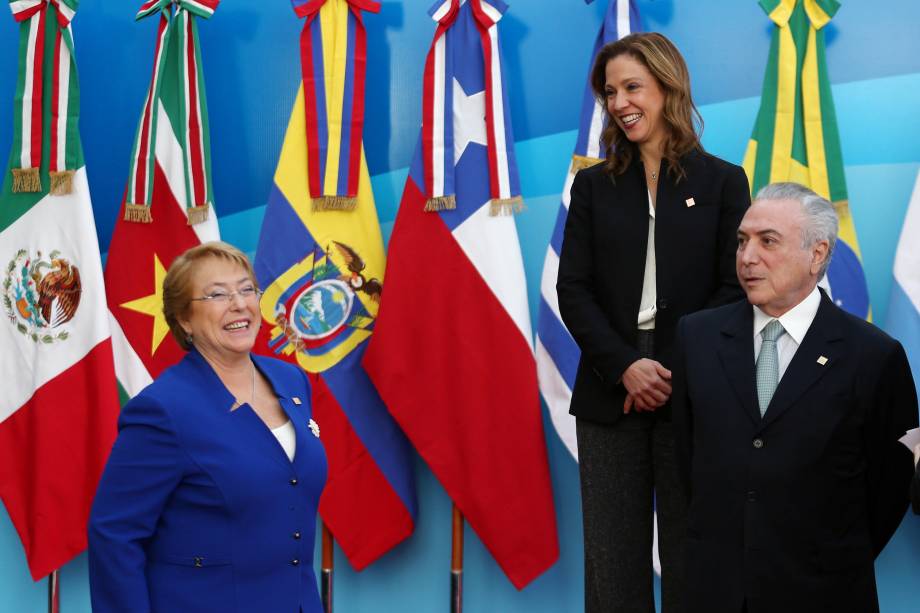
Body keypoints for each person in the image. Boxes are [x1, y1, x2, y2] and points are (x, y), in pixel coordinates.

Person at [556, 32, 750, 612]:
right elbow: (574, 290)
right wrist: (626, 367)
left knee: (696, 559)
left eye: (631, 87)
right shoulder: (593, 185)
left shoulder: (722, 181)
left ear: (668, 87)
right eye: (610, 92)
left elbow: (732, 285)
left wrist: (668, 367)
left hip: (691, 390)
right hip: (609, 392)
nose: (619, 102)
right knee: (613, 566)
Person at [672, 182, 919, 613]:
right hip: (715, 591)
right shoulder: (697, 336)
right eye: (743, 241)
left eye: (768, 241)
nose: (747, 257)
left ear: (817, 254)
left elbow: (891, 485)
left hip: (824, 592)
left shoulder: (873, 355)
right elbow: (687, 458)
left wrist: (830, 558)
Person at [88, 242, 327, 613]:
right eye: (217, 294)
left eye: (246, 289)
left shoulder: (292, 380)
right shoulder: (162, 410)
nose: (239, 303)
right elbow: (114, 535)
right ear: (184, 320)